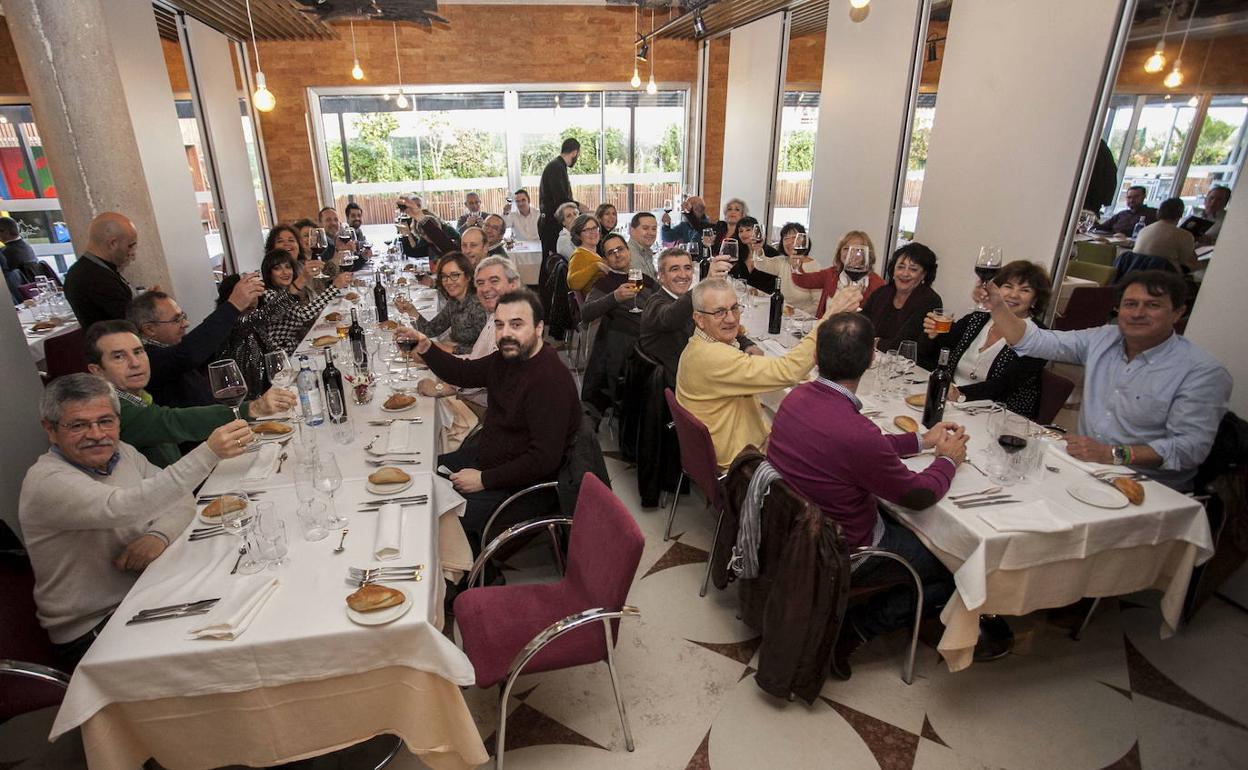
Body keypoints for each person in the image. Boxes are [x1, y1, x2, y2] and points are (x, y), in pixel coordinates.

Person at [766, 312, 967, 679]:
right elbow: (919, 494)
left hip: (793, 531)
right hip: (844, 549)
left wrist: (921, 440)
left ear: (817, 355)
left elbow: (863, 448)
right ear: (872, 358)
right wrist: (948, 462)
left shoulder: (797, 396)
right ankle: (856, 628)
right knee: (957, 567)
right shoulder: (856, 432)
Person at [18, 373, 252, 665]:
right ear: (50, 430)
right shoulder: (47, 481)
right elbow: (124, 507)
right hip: (95, 627)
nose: (96, 434)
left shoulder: (122, 452)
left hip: (145, 591)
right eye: (78, 425)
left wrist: (158, 536)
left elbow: (178, 499)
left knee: (244, 598)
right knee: (224, 650)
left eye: (106, 421)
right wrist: (207, 454)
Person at [978, 269, 1231, 491]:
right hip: (1086, 469)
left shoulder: (1201, 372)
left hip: (1149, 486)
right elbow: (1037, 341)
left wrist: (1113, 454)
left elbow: (1189, 449)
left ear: (1177, 313)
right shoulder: (1104, 338)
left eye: (1152, 305)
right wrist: (999, 306)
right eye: (1130, 304)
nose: (1138, 313)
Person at [396, 289, 579, 549]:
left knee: (433, 515)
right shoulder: (510, 357)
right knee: (418, 473)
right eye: (499, 324)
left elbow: (543, 460)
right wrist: (426, 346)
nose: (506, 333)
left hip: (521, 485)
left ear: (539, 328)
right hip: (489, 457)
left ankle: (477, 578)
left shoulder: (548, 380)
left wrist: (484, 479)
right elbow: (465, 372)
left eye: (517, 324)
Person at [676, 277, 862, 470]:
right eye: (719, 312)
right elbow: (788, 371)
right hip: (738, 461)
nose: (731, 319)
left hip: (718, 446)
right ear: (699, 319)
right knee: (824, 451)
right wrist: (829, 317)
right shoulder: (713, 357)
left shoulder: (698, 346)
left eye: (734, 308)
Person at [85, 320, 293, 467]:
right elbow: (172, 422)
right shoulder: (110, 410)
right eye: (119, 357)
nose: (135, 363)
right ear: (97, 371)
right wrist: (252, 407)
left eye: (138, 352)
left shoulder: (139, 395)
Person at [921, 260, 1052, 419]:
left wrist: (960, 393)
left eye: (1024, 290)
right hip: (952, 404)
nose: (1013, 295)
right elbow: (944, 349)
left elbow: (1005, 385)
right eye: (1008, 286)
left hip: (1000, 415)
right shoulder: (978, 319)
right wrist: (936, 334)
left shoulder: (1039, 337)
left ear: (1035, 300)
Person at [400, 255, 523, 407]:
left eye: (494, 281)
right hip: (473, 392)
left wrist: (441, 387)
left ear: (514, 284)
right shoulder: (494, 316)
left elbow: (479, 377)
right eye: (481, 283)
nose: (485, 289)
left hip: (490, 409)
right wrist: (429, 352)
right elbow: (474, 365)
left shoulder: (513, 327)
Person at [127, 277, 265, 409]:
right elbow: (187, 353)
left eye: (183, 316)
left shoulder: (170, 348)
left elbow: (203, 348)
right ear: (149, 329)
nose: (186, 323)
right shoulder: (146, 358)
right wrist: (233, 305)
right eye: (177, 319)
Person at [639, 247, 754, 387]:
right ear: (661, 276)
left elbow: (716, 327)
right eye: (674, 269)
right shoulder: (655, 303)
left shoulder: (688, 301)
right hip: (675, 385)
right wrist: (706, 283)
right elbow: (669, 317)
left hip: (694, 370)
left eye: (687, 268)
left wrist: (746, 344)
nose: (683, 275)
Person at [580, 234, 657, 416]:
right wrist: (614, 297)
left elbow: (663, 302)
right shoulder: (605, 283)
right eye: (611, 252)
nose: (617, 255)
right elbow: (586, 313)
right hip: (632, 348)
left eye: (620, 249)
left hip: (652, 334)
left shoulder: (644, 279)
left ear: (628, 251)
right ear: (606, 259)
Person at [259, 248, 351, 354]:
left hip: (295, 347)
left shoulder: (286, 291)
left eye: (288, 267)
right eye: (277, 268)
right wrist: (334, 288)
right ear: (269, 273)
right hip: (282, 355)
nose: (285, 272)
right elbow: (303, 315)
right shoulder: (270, 295)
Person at [862, 242, 943, 362]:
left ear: (923, 275)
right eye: (900, 267)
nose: (905, 274)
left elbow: (905, 346)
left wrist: (875, 342)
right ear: (893, 269)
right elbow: (862, 324)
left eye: (913, 269)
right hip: (874, 361)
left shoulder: (930, 301)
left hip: (911, 369)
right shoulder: (882, 293)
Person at [394, 252, 488, 355]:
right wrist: (411, 310)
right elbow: (431, 330)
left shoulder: (478, 305)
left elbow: (486, 349)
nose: (448, 281)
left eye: (455, 275)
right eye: (444, 276)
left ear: (468, 276)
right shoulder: (454, 301)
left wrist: (450, 348)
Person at [64, 212, 140, 331]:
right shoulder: (93, 277)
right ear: (113, 243)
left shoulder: (92, 269)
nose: (132, 253)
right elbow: (130, 321)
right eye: (130, 246)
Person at [791, 229, 887, 317]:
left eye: (858, 250)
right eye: (846, 248)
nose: (851, 254)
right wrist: (796, 267)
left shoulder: (878, 284)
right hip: (825, 330)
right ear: (839, 252)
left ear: (867, 255)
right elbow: (802, 281)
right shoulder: (831, 274)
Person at [751, 222, 821, 315]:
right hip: (783, 315)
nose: (790, 242)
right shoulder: (782, 261)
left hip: (804, 321)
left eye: (795, 237)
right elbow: (761, 264)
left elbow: (819, 304)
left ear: (804, 240)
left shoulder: (814, 268)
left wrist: (795, 314)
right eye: (786, 238)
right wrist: (758, 249)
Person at [538, 138, 580, 264]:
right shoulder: (556, 168)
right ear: (575, 152)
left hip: (549, 222)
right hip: (551, 224)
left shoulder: (557, 166)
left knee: (551, 262)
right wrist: (578, 207)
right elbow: (561, 200)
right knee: (552, 264)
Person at [1134, 197, 1197, 273]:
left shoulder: (1143, 230)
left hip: (1137, 273)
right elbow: (1183, 261)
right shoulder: (1185, 235)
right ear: (1180, 215)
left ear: (1158, 212)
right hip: (1164, 277)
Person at [727, 215, 779, 293]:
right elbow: (730, 276)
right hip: (741, 296)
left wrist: (759, 292)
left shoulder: (772, 253)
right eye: (741, 231)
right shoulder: (737, 252)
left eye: (748, 230)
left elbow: (776, 283)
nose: (744, 234)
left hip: (765, 299)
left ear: (757, 231)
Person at [566, 214, 607, 293]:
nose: (593, 233)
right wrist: (596, 266)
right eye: (587, 230)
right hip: (598, 302)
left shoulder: (591, 253)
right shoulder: (579, 255)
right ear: (578, 235)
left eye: (594, 228)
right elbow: (572, 283)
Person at [0, 216, 36, 303]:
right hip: (32, 292)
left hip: (16, 298)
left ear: (2, 232)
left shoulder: (5, 253)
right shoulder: (27, 247)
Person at [627, 211, 659, 279]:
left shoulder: (645, 251)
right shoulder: (630, 254)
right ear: (632, 230)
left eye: (654, 229)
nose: (651, 233)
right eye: (645, 228)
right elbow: (647, 286)